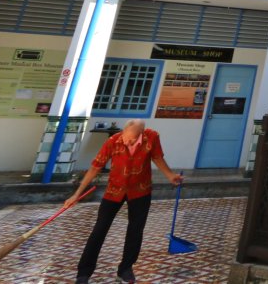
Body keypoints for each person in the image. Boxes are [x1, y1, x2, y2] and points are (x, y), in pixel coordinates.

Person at [64, 119, 183, 284]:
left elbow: (157, 157)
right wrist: (76, 194)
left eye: (133, 140)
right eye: (127, 139)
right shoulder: (113, 141)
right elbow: (95, 167)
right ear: (123, 132)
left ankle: (125, 269)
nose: (129, 142)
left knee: (135, 231)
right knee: (99, 229)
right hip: (114, 191)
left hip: (140, 190)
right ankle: (84, 272)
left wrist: (170, 175)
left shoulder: (152, 137)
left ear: (141, 134)